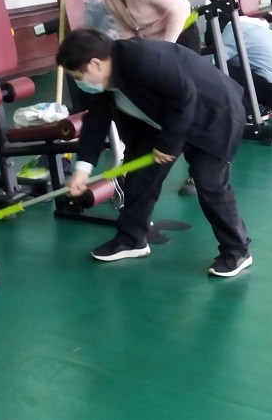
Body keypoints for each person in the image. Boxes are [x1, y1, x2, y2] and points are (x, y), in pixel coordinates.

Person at [57, 29, 252, 277]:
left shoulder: (140, 58)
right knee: (140, 176)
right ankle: (132, 239)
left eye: (77, 76)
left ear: (96, 63)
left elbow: (185, 96)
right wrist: (81, 170)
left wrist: (169, 144)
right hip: (165, 119)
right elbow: (95, 123)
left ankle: (237, 250)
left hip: (214, 113)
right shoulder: (100, 84)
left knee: (209, 182)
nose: (78, 82)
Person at [178, 15, 272, 196]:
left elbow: (217, 59)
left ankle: (241, 111)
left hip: (271, 84)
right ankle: (260, 105)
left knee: (216, 70)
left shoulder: (230, 30)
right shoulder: (253, 27)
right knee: (234, 65)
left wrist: (185, 62)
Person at [63, 0, 201, 55]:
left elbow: (181, 9)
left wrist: (165, 49)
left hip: (181, 33)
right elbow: (126, 33)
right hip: (159, 44)